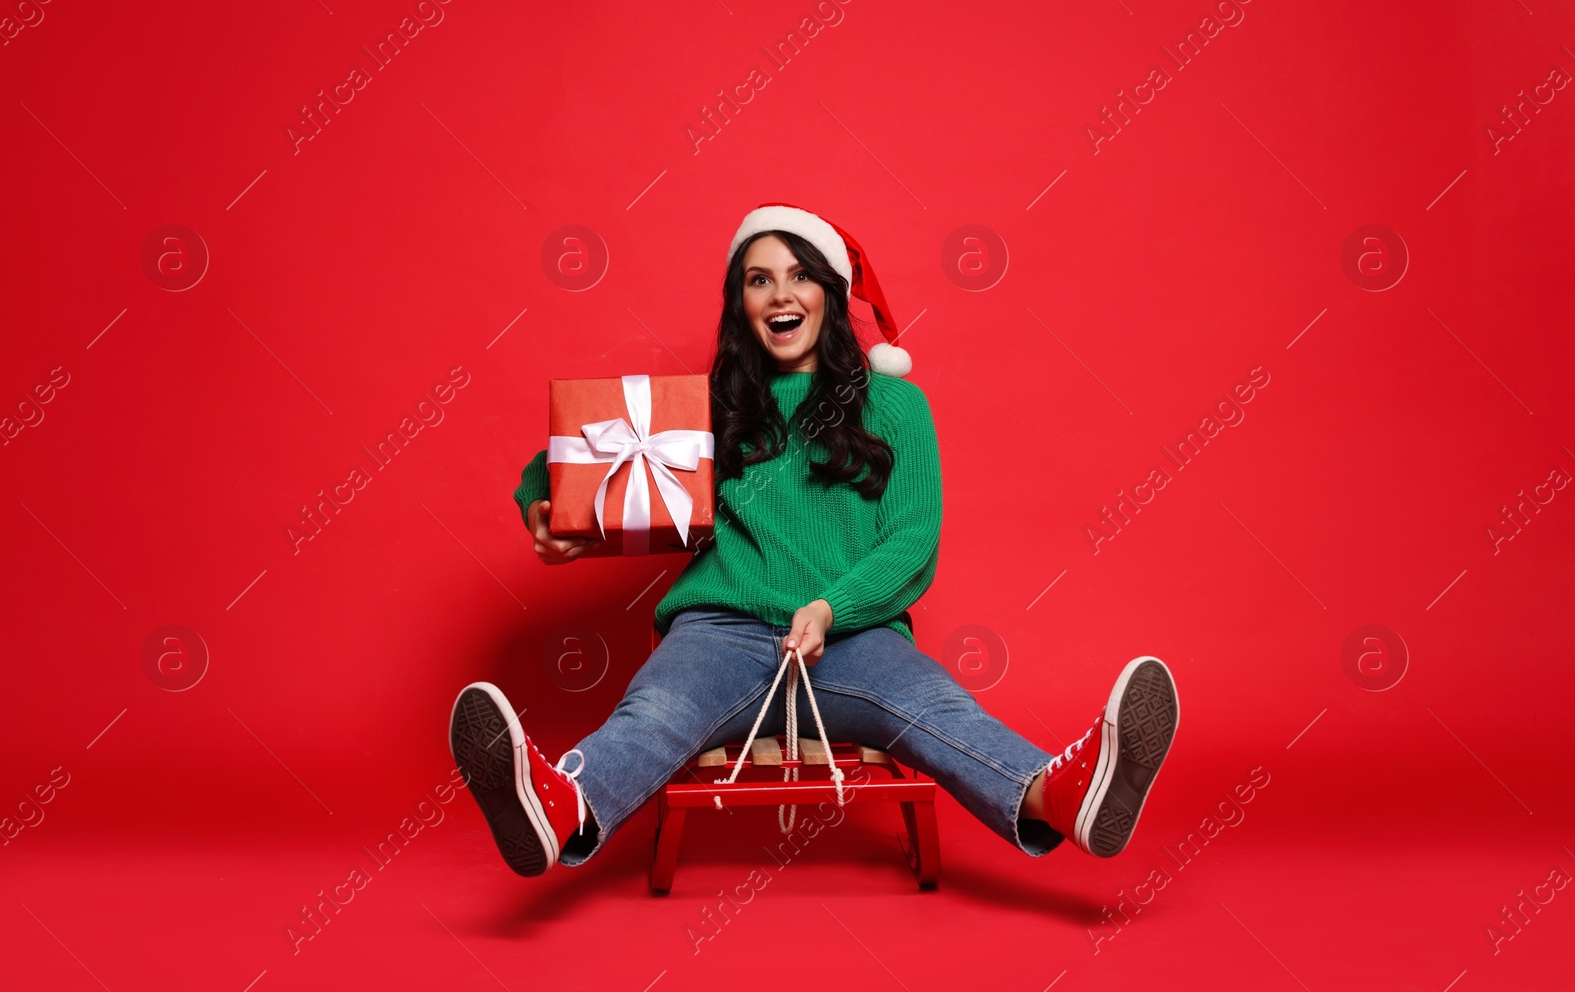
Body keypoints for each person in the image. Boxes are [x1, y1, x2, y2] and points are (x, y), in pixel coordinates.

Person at [448, 202, 1179, 878]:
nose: (780, 294)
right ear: (741, 303)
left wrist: (831, 607)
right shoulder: (708, 409)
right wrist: (543, 505)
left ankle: (1062, 795)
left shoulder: (894, 404)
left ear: (829, 291)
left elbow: (912, 542)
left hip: (852, 638)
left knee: (939, 709)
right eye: (759, 279)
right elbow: (571, 451)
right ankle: (559, 806)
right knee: (656, 713)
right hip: (718, 635)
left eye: (799, 274)